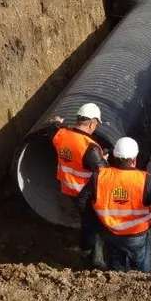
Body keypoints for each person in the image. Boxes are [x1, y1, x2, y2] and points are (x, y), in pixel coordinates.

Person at [76, 137, 151, 272]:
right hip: (136, 235)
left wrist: (96, 223)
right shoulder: (144, 180)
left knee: (115, 267)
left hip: (109, 233)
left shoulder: (99, 176)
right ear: (134, 159)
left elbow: (81, 201)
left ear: (114, 156)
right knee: (141, 269)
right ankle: (143, 287)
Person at [42, 103, 108, 264]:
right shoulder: (90, 147)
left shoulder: (61, 135)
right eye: (96, 125)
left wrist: (57, 122)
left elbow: (52, 129)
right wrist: (104, 160)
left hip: (67, 187)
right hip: (84, 193)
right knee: (91, 222)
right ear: (92, 123)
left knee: (86, 219)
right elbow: (104, 173)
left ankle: (87, 248)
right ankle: (89, 252)